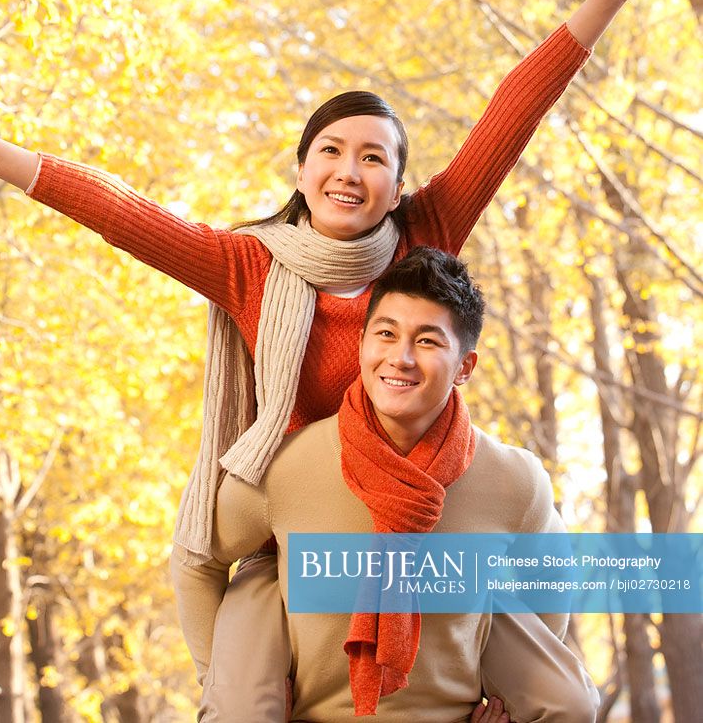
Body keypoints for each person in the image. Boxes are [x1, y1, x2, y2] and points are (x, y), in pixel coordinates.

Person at [0, 0, 667, 719]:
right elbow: (120, 212)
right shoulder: (249, 264)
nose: (349, 171)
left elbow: (513, 113)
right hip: (292, 530)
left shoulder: (428, 232)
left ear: (399, 185)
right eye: (331, 151)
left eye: (374, 157)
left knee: (553, 693)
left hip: (423, 506)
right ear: (300, 170)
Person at [200, 246, 599, 721]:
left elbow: (552, 581)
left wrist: (509, 695)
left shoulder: (513, 478)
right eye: (386, 334)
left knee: (577, 704)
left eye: (428, 342)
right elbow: (199, 560)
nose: (400, 358)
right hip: (311, 713)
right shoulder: (285, 465)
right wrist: (224, 686)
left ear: (465, 367)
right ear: (363, 343)